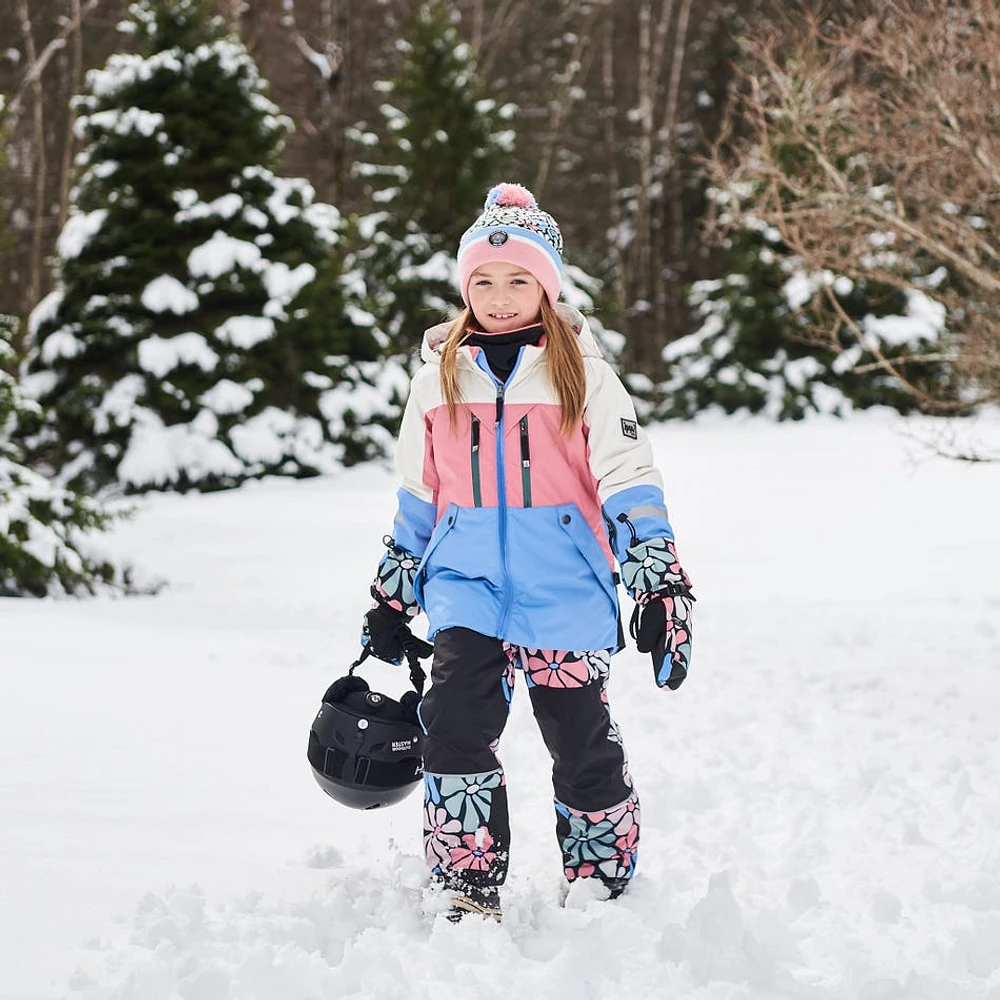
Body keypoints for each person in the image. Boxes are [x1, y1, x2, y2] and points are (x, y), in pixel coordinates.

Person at [360, 182, 694, 923]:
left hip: (564, 588)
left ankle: (601, 876)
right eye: (482, 279)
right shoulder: (436, 378)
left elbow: (628, 481)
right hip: (465, 586)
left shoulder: (585, 376)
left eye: (518, 280)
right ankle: (466, 878)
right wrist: (391, 596)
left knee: (578, 739)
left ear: (545, 285)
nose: (499, 295)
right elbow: (419, 498)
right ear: (463, 286)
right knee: (451, 724)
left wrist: (660, 584)